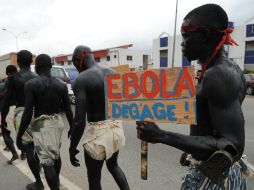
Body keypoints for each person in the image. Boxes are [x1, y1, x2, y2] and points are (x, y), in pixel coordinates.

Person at [136, 4, 248, 189]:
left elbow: (232, 146)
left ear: (204, 36)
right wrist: (191, 149)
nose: (182, 42)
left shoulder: (218, 75)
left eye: (186, 36)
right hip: (217, 171)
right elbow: (212, 128)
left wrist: (162, 135)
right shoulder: (223, 69)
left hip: (214, 179)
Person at [69, 45, 130, 190]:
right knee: (113, 165)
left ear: (79, 60)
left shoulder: (81, 79)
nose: (77, 67)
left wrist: (72, 148)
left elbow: (79, 121)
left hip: (98, 135)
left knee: (94, 178)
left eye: (75, 64)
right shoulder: (113, 73)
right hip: (116, 129)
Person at [17, 54, 73, 190]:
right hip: (57, 123)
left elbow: (28, 112)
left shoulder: (31, 85)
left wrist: (19, 135)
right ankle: (56, 181)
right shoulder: (61, 84)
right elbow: (68, 109)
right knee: (56, 155)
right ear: (50, 66)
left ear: (37, 67)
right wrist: (72, 127)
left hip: (42, 126)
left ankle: (54, 186)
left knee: (47, 163)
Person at [1, 50, 43, 190]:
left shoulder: (12, 79)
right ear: (31, 61)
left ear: (18, 62)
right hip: (38, 114)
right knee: (38, 145)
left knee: (28, 148)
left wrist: (2, 120)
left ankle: (38, 182)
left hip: (21, 114)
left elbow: (6, 102)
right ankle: (39, 167)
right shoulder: (37, 76)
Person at [0, 65, 19, 163]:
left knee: (5, 133)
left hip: (9, 109)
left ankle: (15, 154)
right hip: (21, 109)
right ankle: (24, 153)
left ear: (7, 73)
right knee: (21, 132)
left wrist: (2, 118)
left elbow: (5, 101)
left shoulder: (8, 82)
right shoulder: (23, 80)